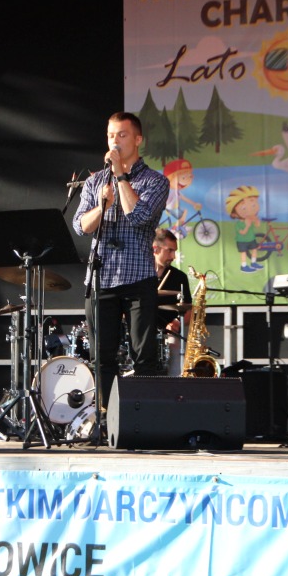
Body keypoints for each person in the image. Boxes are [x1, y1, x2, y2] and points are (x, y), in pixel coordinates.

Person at [73, 112, 169, 409]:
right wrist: (102, 207)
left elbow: (139, 217)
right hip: (101, 278)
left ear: (138, 140)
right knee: (101, 357)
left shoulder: (155, 181)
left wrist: (121, 177)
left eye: (122, 135)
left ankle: (144, 418)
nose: (114, 141)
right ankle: (106, 418)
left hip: (138, 278)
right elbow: (80, 226)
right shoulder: (94, 182)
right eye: (111, 135)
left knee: (144, 355)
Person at [152, 228, 193, 376]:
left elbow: (189, 310)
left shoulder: (179, 277)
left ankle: (176, 385)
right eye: (169, 251)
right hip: (140, 332)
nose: (173, 256)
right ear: (155, 249)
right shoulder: (140, 274)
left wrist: (177, 323)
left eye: (174, 251)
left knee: (176, 345)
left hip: (168, 334)